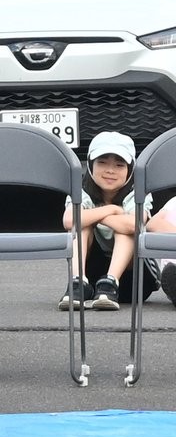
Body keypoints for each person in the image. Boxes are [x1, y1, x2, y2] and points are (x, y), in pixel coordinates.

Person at [58, 131, 158, 311]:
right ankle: (78, 282)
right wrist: (111, 210)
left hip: (133, 280)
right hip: (93, 276)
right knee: (81, 226)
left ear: (130, 169)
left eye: (119, 165)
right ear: (90, 164)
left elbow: (134, 224)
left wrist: (95, 216)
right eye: (102, 163)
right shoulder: (82, 188)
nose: (110, 170)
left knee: (125, 230)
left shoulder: (138, 191)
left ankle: (110, 282)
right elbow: (69, 220)